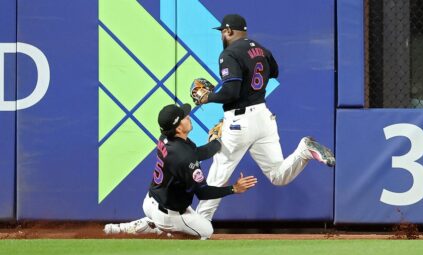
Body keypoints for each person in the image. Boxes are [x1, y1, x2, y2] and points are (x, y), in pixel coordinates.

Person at [195, 14, 336, 221]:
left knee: (218, 176)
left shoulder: (229, 54)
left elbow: (231, 92)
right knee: (278, 175)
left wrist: (208, 98)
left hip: (239, 122)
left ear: (229, 31)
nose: (222, 36)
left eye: (223, 32)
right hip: (263, 116)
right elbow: (274, 72)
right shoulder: (261, 49)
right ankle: (304, 150)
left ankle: (199, 227)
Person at [104, 103, 257, 239]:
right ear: (178, 128)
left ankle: (140, 225)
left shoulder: (166, 137)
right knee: (206, 231)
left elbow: (196, 153)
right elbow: (203, 193)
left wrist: (215, 142)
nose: (188, 117)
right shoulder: (183, 156)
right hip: (169, 214)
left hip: (152, 201)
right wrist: (234, 188)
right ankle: (162, 230)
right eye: (184, 117)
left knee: (185, 214)